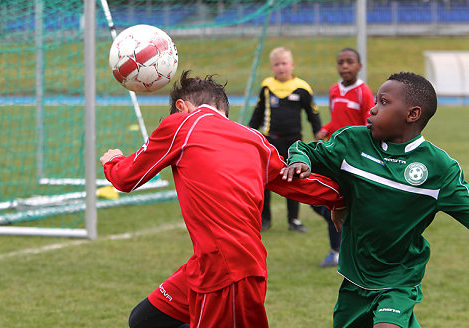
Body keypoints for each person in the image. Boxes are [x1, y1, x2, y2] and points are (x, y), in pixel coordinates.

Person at [100, 71, 345, 328]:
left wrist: (113, 160)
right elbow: (297, 182)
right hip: (208, 264)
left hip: (229, 268)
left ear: (181, 108)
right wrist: (338, 198)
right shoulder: (256, 140)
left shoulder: (182, 124)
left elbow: (125, 177)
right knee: (145, 321)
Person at [281, 72, 469, 328]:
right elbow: (307, 149)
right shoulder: (352, 142)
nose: (372, 108)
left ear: (412, 114)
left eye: (384, 102)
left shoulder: (439, 168)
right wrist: (300, 160)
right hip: (354, 279)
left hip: (399, 280)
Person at [248, 46, 322, 233]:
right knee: (265, 180)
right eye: (276, 64)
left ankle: (294, 220)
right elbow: (258, 112)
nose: (281, 67)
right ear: (272, 67)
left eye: (284, 63)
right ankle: (264, 219)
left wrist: (318, 132)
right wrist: (248, 133)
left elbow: (312, 113)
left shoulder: (302, 87)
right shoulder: (267, 86)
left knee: (293, 179)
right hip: (269, 140)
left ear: (291, 65)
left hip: (293, 142)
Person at [313, 48, 374, 267]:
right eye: (341, 62)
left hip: (354, 157)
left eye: (350, 62)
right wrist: (325, 130)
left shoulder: (363, 92)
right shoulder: (333, 90)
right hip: (334, 153)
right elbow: (336, 120)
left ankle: (336, 253)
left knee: (334, 201)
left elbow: (370, 124)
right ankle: (347, 231)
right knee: (318, 200)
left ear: (359, 66)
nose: (345, 66)